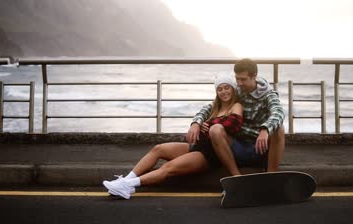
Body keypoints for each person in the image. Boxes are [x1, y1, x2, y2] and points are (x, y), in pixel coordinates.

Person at [103, 73, 243, 199]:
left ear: (233, 88)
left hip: (210, 154)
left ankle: (128, 185)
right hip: (198, 147)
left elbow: (233, 124)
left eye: (227, 87)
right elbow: (200, 116)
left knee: (168, 168)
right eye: (220, 89)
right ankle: (124, 181)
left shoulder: (236, 106)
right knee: (158, 149)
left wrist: (206, 124)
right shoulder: (214, 108)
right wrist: (197, 124)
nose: (224, 91)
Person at [188, 58, 285, 175]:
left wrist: (265, 129)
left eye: (243, 79)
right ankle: (236, 177)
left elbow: (278, 112)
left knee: (279, 128)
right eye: (237, 79)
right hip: (236, 145)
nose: (239, 83)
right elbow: (211, 106)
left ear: (254, 76)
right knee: (215, 129)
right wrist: (196, 123)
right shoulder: (238, 90)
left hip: (260, 147)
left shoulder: (268, 94)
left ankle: (272, 175)